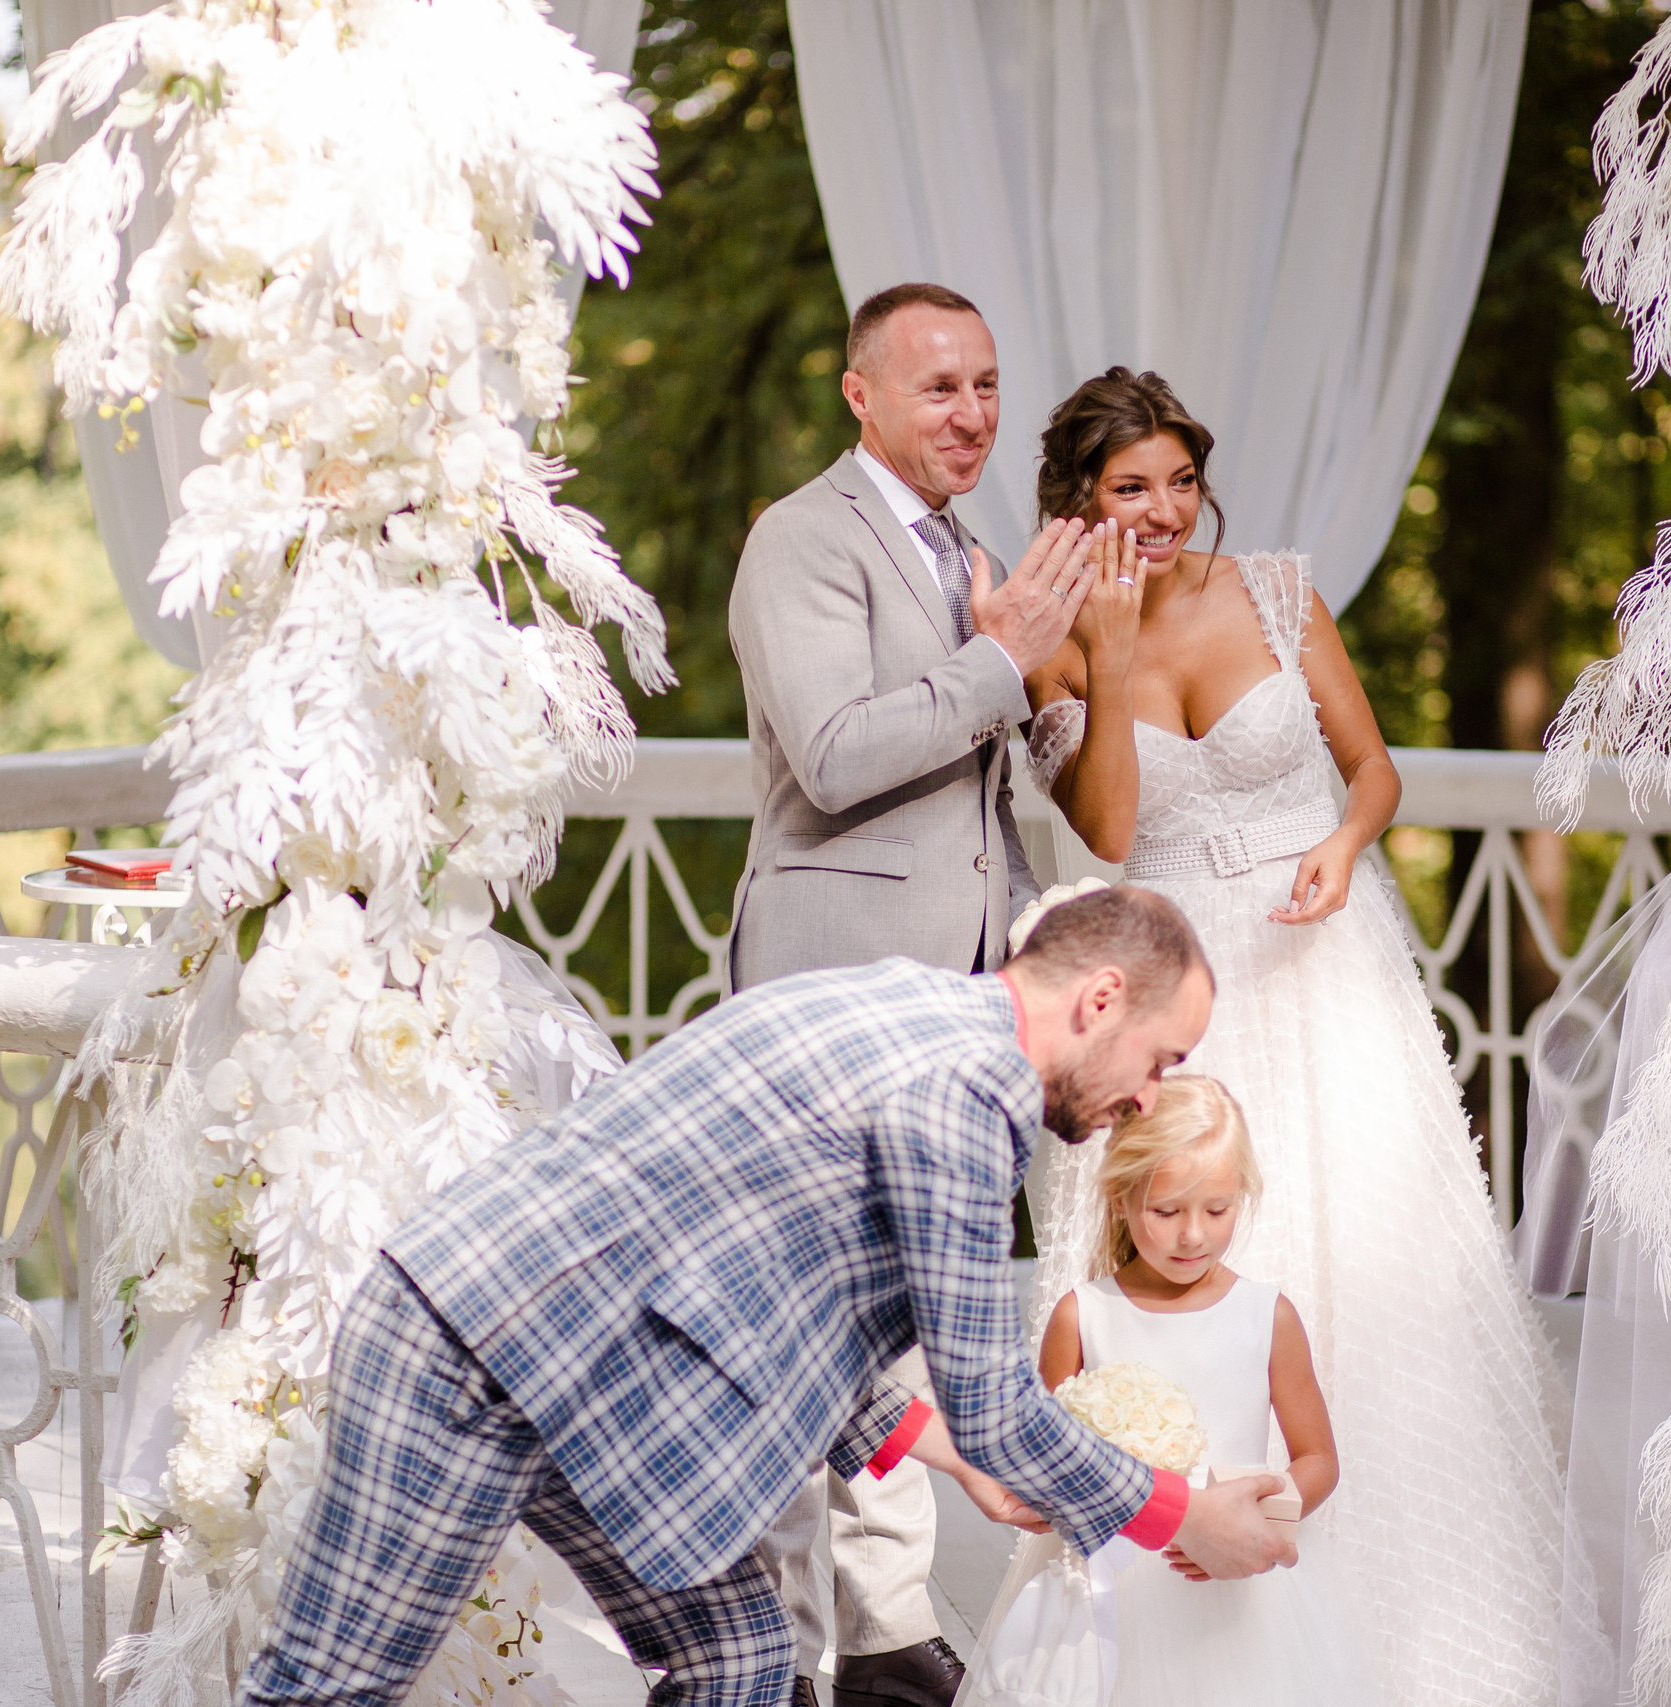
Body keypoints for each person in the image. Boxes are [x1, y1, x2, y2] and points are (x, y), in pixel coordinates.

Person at [237, 886, 1303, 1707]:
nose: (1147, 1097)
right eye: (1160, 1059)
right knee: (324, 1692)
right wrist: (1184, 1516)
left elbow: (786, 1306)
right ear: (1100, 997)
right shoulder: (967, 1093)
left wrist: (959, 1463)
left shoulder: (916, 1009)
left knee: (736, 1653)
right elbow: (995, 1404)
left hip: (575, 1362)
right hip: (469, 1344)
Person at [1017, 368, 1565, 1706]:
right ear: (1081, 503)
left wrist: (1342, 839)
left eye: (1177, 481)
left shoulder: (1275, 588)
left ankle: (1414, 1639)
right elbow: (1103, 827)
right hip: (1170, 994)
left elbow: (1374, 764)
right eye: (1126, 488)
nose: (1160, 510)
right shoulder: (1058, 640)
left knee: (1369, 1277)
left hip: (1324, 960)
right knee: (1190, 1259)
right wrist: (1118, 643)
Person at [725, 281, 1100, 1707]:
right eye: (939, 385)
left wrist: (1058, 690)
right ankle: (782, 1646)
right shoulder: (802, 540)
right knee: (809, 1310)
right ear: (860, 393)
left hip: (961, 984)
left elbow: (986, 760)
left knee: (896, 1303)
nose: (973, 413)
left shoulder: (973, 549)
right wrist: (1002, 660)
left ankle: (885, 1632)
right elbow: (831, 752)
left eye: (989, 385)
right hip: (835, 973)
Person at [960, 1076, 1372, 1707]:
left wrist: (1258, 1518)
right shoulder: (1082, 1315)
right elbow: (1035, 1456)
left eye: (1217, 1209)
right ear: (1121, 1200)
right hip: (1108, 1588)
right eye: (1167, 1210)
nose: (1192, 1236)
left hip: (1235, 1589)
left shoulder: (1268, 1316)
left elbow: (1318, 1459)